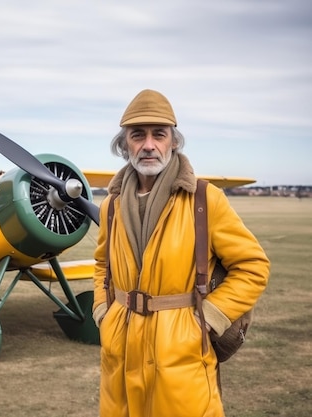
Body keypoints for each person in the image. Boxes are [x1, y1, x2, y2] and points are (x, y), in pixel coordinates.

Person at [92, 89, 270, 417]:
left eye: (159, 134)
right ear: (124, 144)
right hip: (122, 345)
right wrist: (104, 313)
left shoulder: (205, 199)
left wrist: (209, 319)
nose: (148, 145)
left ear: (173, 141)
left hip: (182, 349)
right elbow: (103, 264)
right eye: (137, 135)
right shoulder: (111, 206)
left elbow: (252, 265)